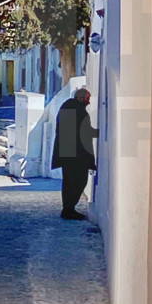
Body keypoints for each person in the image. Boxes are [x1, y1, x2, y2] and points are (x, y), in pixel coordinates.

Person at [51, 87, 97, 220]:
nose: (88, 103)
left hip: (68, 154)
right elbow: (84, 132)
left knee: (69, 182)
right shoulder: (78, 111)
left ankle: (68, 209)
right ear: (81, 98)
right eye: (87, 100)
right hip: (76, 155)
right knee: (79, 181)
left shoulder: (67, 108)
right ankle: (68, 209)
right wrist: (101, 132)